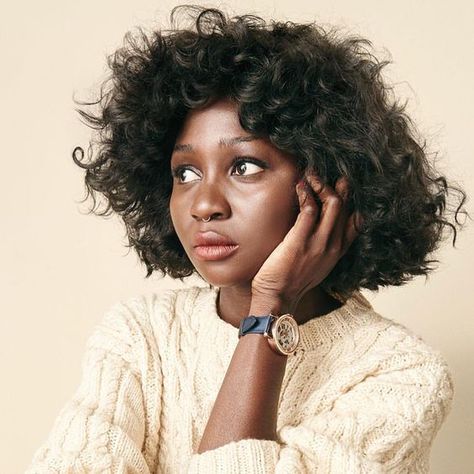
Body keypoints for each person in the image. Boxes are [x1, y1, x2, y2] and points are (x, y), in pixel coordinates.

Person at [26, 5, 468, 473]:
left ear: (332, 182)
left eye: (244, 166)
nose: (204, 204)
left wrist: (269, 309)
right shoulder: (140, 338)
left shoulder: (400, 373)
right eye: (185, 172)